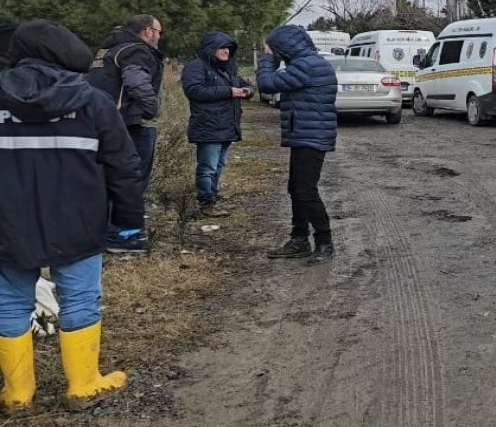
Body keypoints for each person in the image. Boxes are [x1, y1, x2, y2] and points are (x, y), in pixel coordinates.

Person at [0, 20, 144, 412]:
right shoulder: (92, 102)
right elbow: (124, 166)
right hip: (77, 221)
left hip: (7, 224)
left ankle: (17, 394)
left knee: (9, 304)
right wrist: (131, 223)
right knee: (80, 299)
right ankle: (83, 385)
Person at [256, 25, 338, 265]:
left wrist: (267, 58)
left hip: (311, 136)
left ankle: (324, 241)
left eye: (274, 48)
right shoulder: (310, 63)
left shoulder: (306, 66)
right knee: (297, 188)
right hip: (306, 133)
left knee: (305, 190)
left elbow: (267, 84)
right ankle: (299, 239)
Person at [86, 14, 164, 253]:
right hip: (130, 124)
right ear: (148, 31)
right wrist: (151, 110)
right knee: (130, 181)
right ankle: (122, 236)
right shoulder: (135, 51)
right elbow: (136, 82)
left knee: (106, 180)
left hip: (99, 123)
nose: (160, 37)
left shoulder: (106, 52)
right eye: (159, 32)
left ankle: (104, 231)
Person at [182, 32, 256, 218]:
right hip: (208, 126)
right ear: (211, 48)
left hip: (227, 127)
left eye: (228, 48)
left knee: (219, 165)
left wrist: (247, 91)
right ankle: (206, 202)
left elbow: (247, 87)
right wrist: (229, 91)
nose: (226, 51)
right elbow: (194, 91)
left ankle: (212, 196)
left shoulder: (229, 68)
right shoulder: (195, 67)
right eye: (221, 47)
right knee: (207, 167)